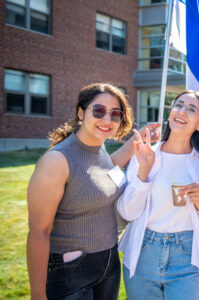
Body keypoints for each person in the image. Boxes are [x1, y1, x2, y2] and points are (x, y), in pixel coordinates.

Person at [27, 83, 159, 299]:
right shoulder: (56, 161)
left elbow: (102, 173)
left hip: (108, 264)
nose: (107, 120)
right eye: (98, 111)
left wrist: (140, 138)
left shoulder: (100, 148)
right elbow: (38, 232)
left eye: (115, 114)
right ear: (81, 112)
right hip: (71, 272)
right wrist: (38, 294)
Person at [116, 90, 199, 300]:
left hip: (185, 255)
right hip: (143, 252)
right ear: (170, 113)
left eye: (191, 109)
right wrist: (143, 174)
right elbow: (127, 212)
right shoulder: (146, 156)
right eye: (178, 105)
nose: (182, 111)